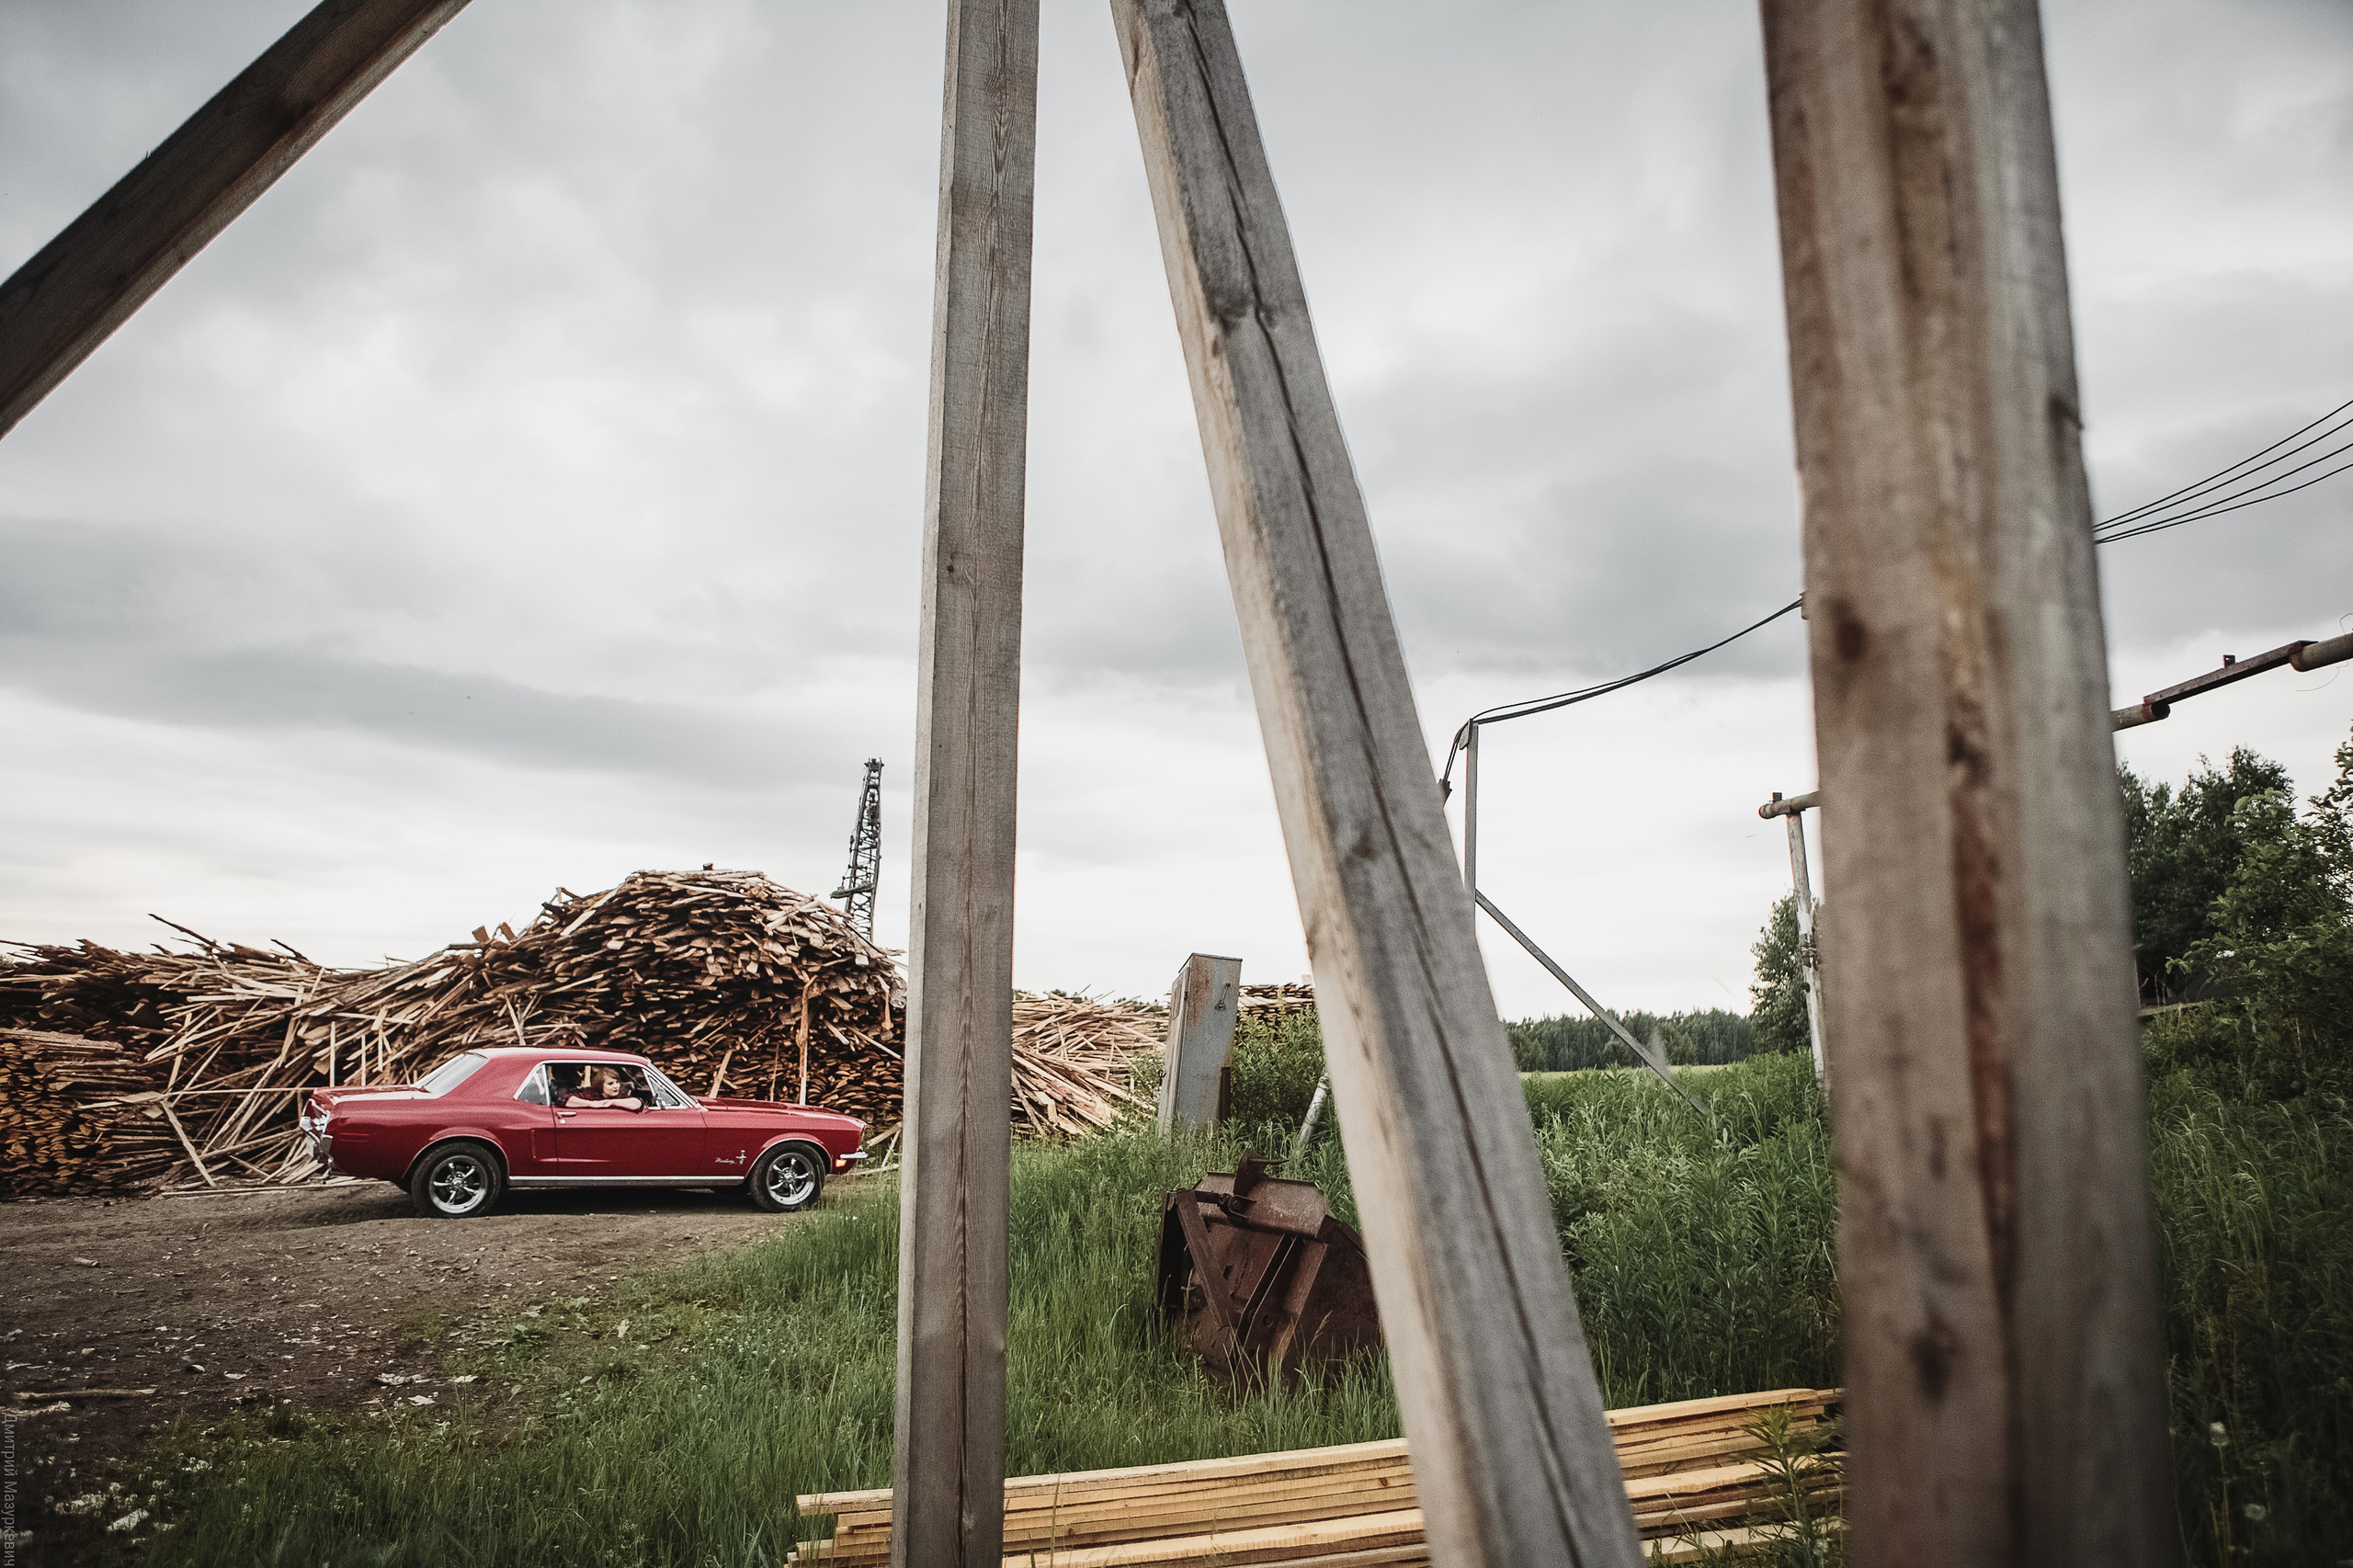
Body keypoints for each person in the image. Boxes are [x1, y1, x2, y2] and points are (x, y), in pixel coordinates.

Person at [560, 1063, 644, 1112]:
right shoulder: (590, 1094)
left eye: (617, 1082)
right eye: (610, 1083)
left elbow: (638, 1103)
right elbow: (563, 1099)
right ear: (600, 1085)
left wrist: (612, 1102)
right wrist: (592, 1104)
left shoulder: (620, 1096)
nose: (616, 1086)